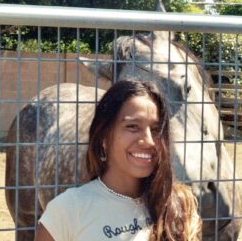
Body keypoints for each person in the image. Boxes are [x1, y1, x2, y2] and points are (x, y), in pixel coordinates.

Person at [35, 80, 201, 241]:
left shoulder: (178, 204)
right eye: (133, 127)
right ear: (104, 136)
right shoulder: (67, 210)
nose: (149, 141)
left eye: (156, 129)